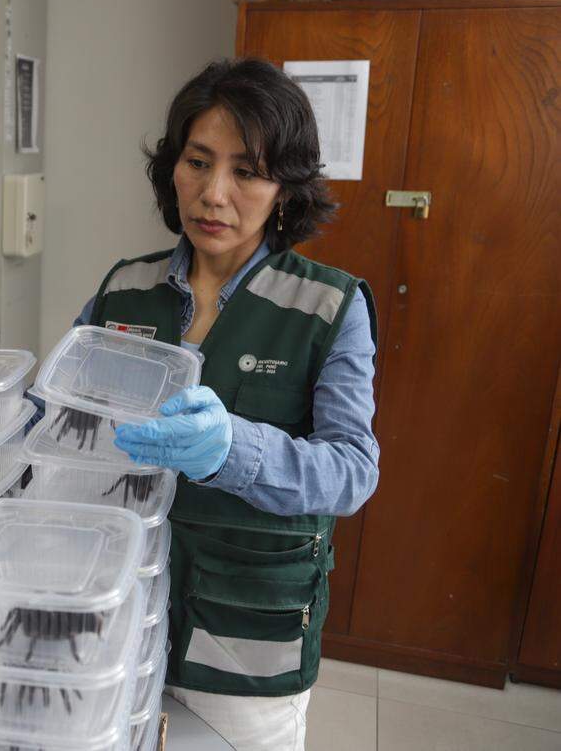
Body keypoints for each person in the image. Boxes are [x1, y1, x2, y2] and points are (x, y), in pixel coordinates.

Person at [76, 59, 380, 750]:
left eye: (246, 170)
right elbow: (58, 416)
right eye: (197, 161)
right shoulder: (123, 291)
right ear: (171, 168)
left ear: (285, 188)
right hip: (122, 612)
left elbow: (352, 470)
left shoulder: (329, 306)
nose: (214, 194)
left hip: (246, 635)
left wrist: (232, 450)